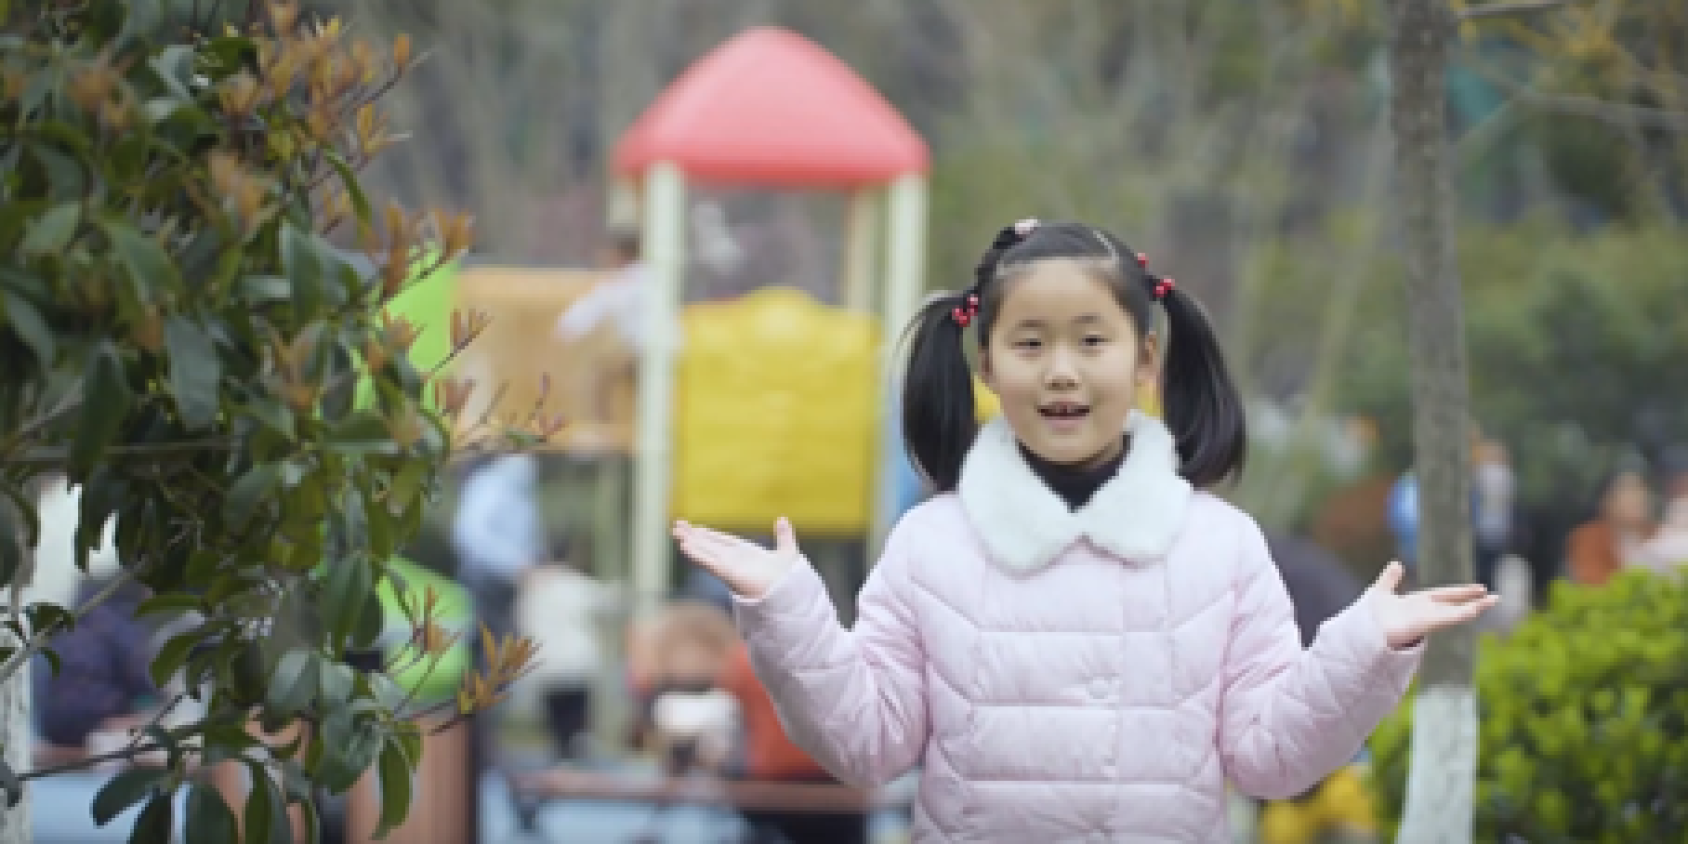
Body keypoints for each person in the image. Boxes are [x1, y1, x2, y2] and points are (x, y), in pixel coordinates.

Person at [671, 219, 1497, 840]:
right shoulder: (931, 546)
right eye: (1030, 343)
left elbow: (1271, 757)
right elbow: (870, 747)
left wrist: (1364, 648)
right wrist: (787, 610)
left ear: (1143, 360)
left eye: (1090, 341)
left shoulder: (1222, 546)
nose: (1061, 369)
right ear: (988, 365)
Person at [1564, 467, 1654, 586]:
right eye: (1630, 492)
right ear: (1607, 501)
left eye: (1642, 491)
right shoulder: (1587, 539)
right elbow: (1592, 583)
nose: (1639, 498)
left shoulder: (1656, 534)